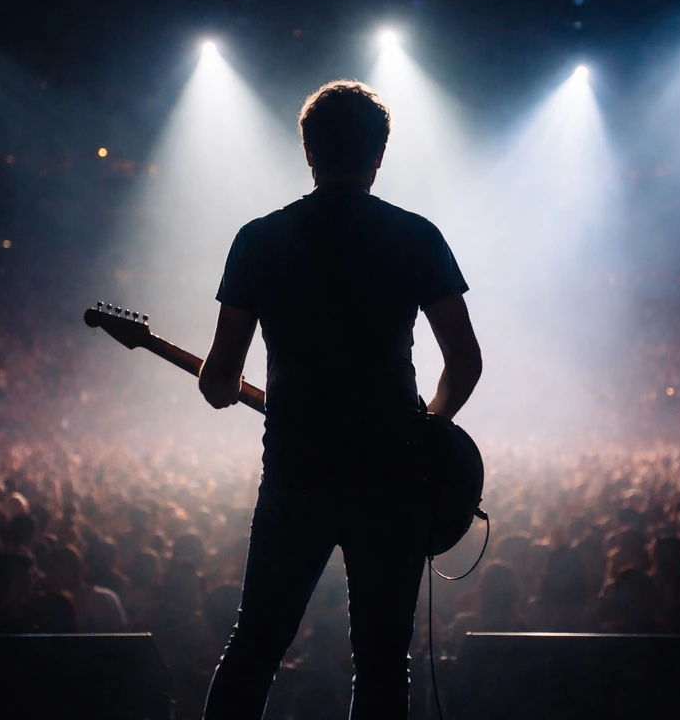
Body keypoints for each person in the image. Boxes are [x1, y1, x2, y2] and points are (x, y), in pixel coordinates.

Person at [197, 80, 482, 720]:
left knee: (256, 647)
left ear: (308, 153)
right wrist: (429, 426)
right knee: (383, 661)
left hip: (297, 476)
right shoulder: (417, 237)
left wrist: (222, 383)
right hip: (392, 482)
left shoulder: (259, 240)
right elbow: (465, 362)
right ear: (379, 155)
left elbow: (220, 384)